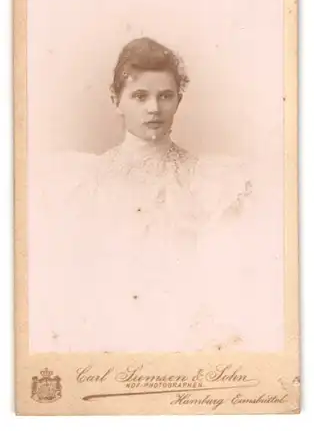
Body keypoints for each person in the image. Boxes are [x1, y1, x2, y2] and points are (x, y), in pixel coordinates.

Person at [30, 37, 281, 353]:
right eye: (139, 96)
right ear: (115, 99)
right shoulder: (81, 184)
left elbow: (229, 279)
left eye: (165, 96)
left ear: (178, 100)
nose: (154, 108)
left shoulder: (212, 184)